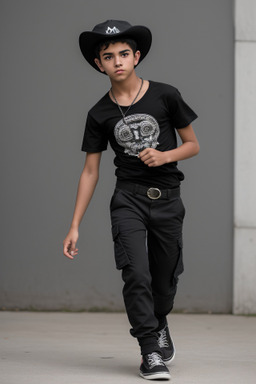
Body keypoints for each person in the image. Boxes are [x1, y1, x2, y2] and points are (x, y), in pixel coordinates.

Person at [63, 19, 199, 381]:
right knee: (135, 273)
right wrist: (74, 225)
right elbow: (90, 171)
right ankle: (150, 351)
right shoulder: (99, 113)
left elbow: (193, 144)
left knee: (164, 281)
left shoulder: (166, 95)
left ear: (137, 56)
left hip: (168, 200)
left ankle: (159, 318)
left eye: (124, 54)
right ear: (99, 64)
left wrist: (165, 156)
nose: (118, 61)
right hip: (128, 200)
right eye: (109, 57)